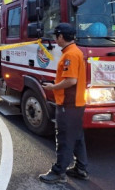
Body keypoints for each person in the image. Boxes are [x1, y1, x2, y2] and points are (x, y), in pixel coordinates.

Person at [39, 23, 88, 184]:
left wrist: (53, 87)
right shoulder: (74, 52)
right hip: (77, 103)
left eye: (56, 36)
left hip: (68, 104)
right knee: (77, 137)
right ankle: (81, 168)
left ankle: (59, 172)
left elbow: (71, 80)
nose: (55, 39)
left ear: (61, 37)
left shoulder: (70, 55)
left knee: (65, 138)